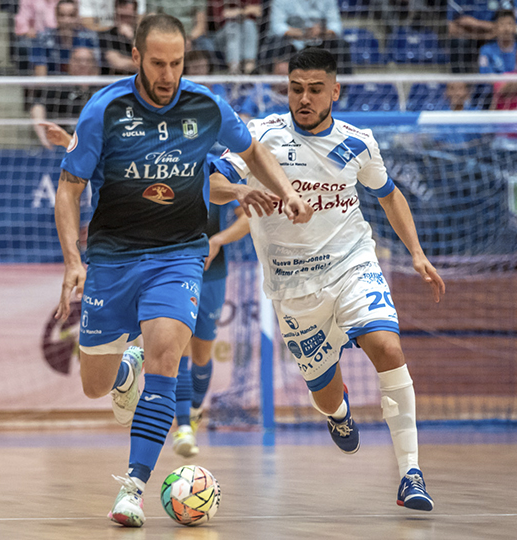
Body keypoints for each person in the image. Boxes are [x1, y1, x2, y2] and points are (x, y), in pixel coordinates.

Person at [52, 13, 311, 528]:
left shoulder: (206, 104)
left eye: (176, 63)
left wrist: (287, 191)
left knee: (168, 358)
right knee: (94, 387)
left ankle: (133, 488)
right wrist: (72, 262)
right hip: (112, 256)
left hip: (179, 254)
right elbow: (70, 188)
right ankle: (126, 367)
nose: (168, 74)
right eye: (157, 63)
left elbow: (250, 150)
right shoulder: (104, 110)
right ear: (136, 58)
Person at [210, 47, 445, 512]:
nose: (304, 98)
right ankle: (339, 416)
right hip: (293, 289)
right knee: (326, 394)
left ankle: (411, 475)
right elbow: (211, 185)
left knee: (388, 347)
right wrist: (240, 189)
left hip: (352, 265)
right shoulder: (260, 138)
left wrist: (416, 253)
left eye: (315, 90)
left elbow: (389, 195)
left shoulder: (359, 142)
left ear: (334, 91)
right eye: (296, 89)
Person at [171, 197, 249, 458]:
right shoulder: (167, 168)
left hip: (212, 274)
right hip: (175, 272)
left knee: (202, 355)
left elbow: (248, 218)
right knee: (178, 350)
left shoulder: (216, 172)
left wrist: (217, 240)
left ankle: (193, 411)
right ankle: (182, 426)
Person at [30, 46, 101, 149]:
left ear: (94, 64)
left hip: (94, 146)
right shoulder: (59, 86)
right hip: (62, 144)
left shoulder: (102, 89)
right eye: (78, 60)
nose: (83, 64)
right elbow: (37, 107)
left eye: (87, 60)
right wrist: (43, 138)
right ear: (70, 63)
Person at [28, 0, 99, 76]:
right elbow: (40, 73)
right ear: (56, 16)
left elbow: (96, 69)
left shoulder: (88, 38)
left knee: (83, 55)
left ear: (77, 16)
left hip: (80, 82)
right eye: (62, 15)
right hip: (52, 84)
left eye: (71, 16)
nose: (66, 20)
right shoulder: (43, 38)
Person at [479, 9, 517, 75]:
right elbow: (484, 74)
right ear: (495, 28)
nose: (506, 28)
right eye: (502, 24)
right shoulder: (486, 50)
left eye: (509, 24)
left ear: (515, 27)